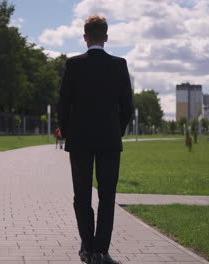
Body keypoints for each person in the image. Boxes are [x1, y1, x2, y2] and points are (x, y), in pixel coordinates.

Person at [57, 14, 133, 264]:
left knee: (82, 196)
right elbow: (127, 108)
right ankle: (101, 250)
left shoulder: (74, 64)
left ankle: (87, 248)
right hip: (109, 140)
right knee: (107, 197)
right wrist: (116, 130)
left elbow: (63, 104)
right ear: (106, 38)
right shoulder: (119, 65)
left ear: (85, 37)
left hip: (80, 141)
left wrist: (68, 133)